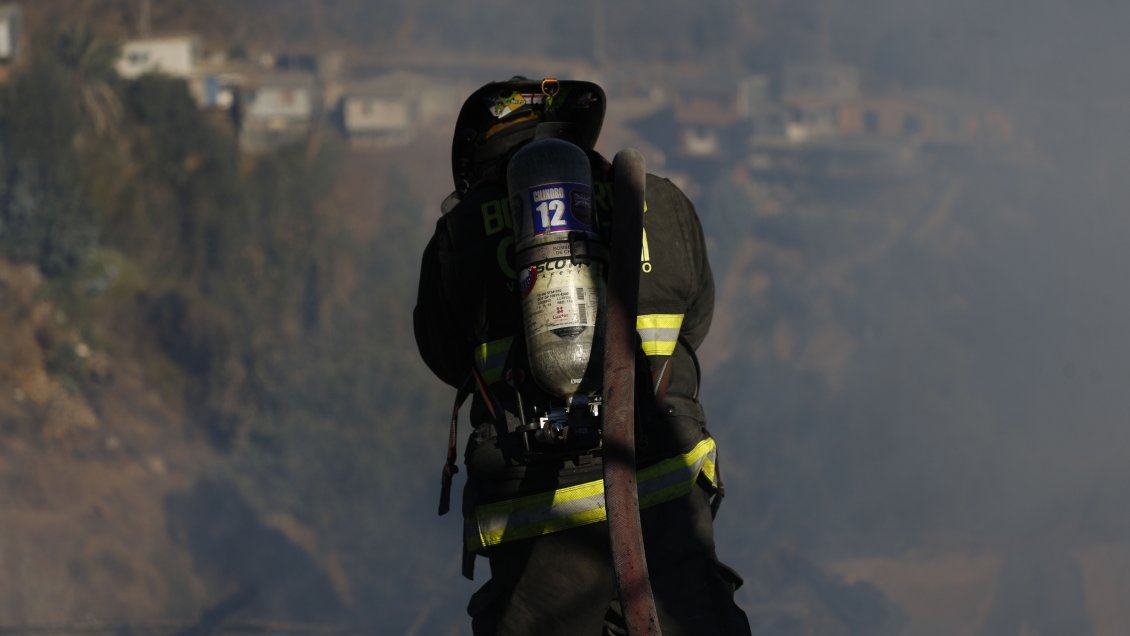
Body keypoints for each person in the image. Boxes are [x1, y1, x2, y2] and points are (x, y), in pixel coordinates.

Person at [414, 76, 751, 635]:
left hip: (538, 523)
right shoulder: (660, 201)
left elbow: (444, 355)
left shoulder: (462, 232)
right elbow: (696, 323)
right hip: (664, 498)